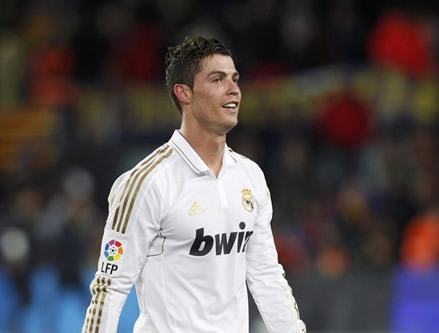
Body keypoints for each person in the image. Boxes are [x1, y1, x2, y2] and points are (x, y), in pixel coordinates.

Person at [82, 36, 306, 333]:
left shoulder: (250, 176)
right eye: (217, 79)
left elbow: (266, 276)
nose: (233, 89)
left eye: (235, 79)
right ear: (184, 93)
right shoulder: (146, 183)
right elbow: (110, 287)